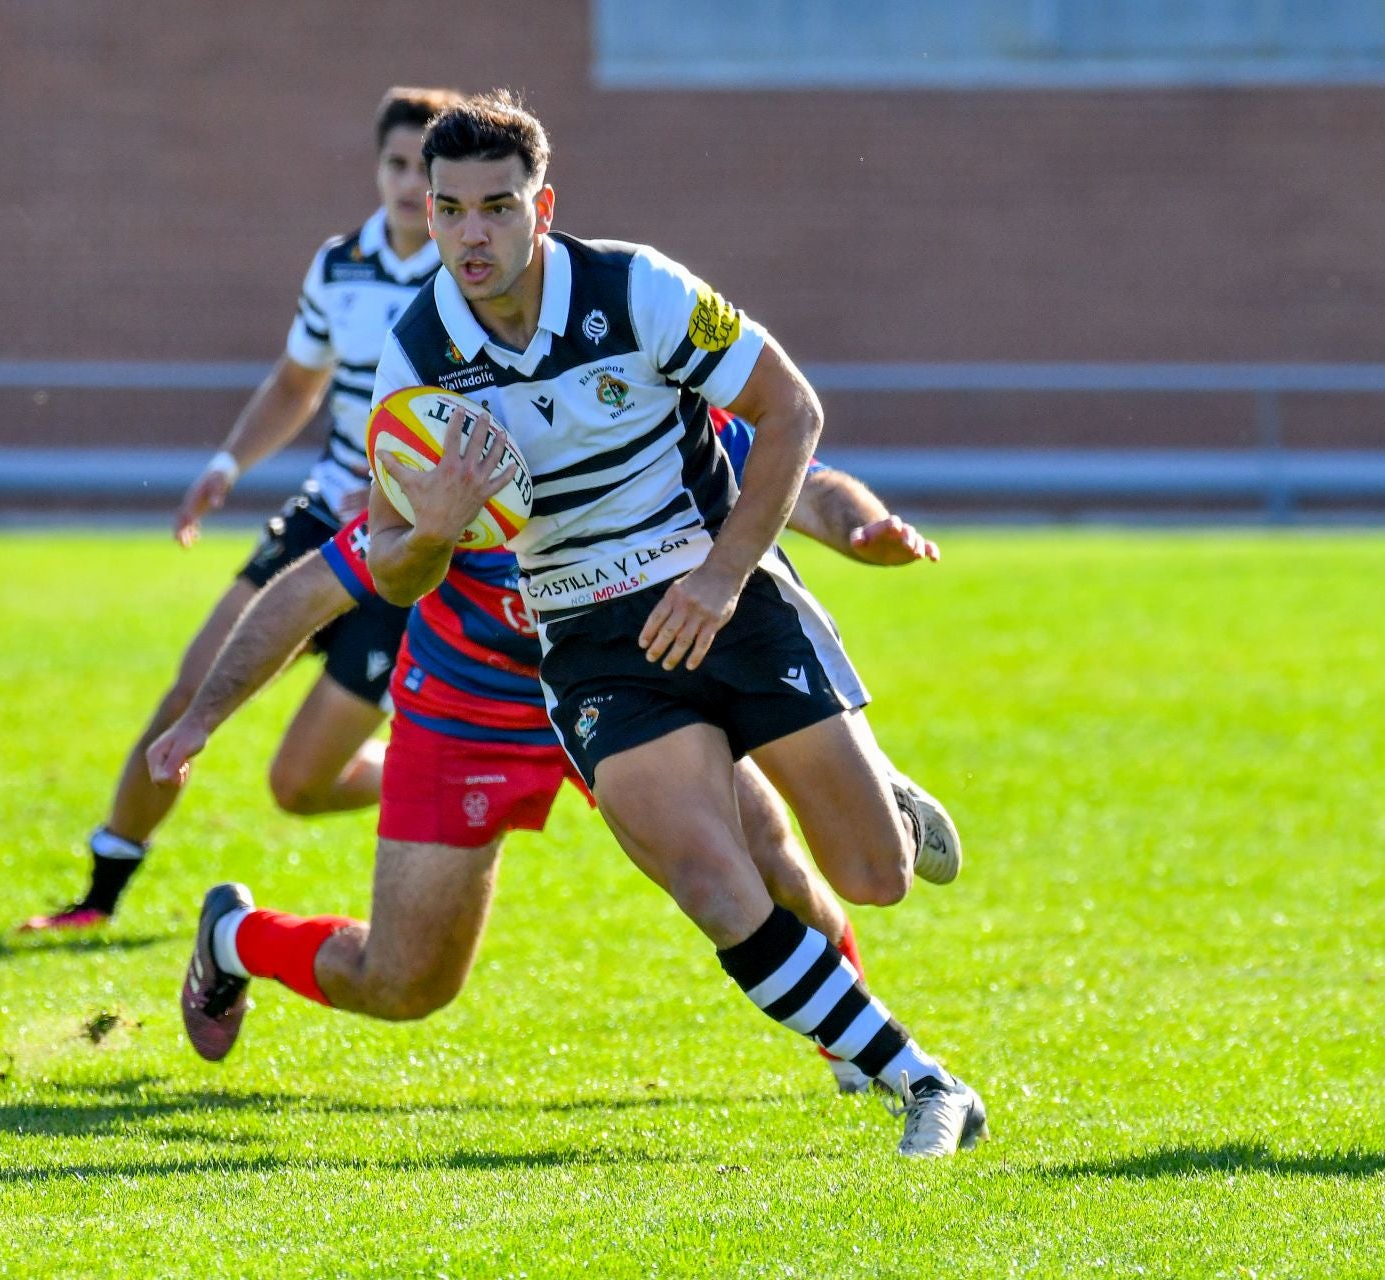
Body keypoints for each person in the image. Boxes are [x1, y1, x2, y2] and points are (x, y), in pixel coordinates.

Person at [358, 92, 985, 1157]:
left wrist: (727, 572)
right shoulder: (416, 353)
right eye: (450, 207)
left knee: (871, 876)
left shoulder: (638, 288)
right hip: (592, 642)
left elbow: (793, 413)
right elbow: (389, 568)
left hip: (724, 593)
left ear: (541, 207)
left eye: (497, 208)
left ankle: (879, 789)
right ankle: (924, 1080)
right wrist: (438, 530)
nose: (470, 233)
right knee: (712, 880)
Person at [153, 411, 939, 1095]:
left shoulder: (639, 400)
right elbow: (310, 589)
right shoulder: (469, 461)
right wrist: (204, 714)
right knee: (404, 982)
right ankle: (234, 937)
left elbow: (801, 477)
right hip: (471, 708)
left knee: (776, 864)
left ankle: (860, 1050)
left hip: (635, 691)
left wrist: (864, 531)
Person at [20, 86, 462, 933]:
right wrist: (229, 461)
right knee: (194, 685)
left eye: (425, 171)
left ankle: (468, 771)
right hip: (323, 518)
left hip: (412, 550)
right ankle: (100, 893)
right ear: (377, 167)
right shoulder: (340, 265)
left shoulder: (471, 276)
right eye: (397, 165)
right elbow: (298, 381)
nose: (410, 186)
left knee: (298, 788)